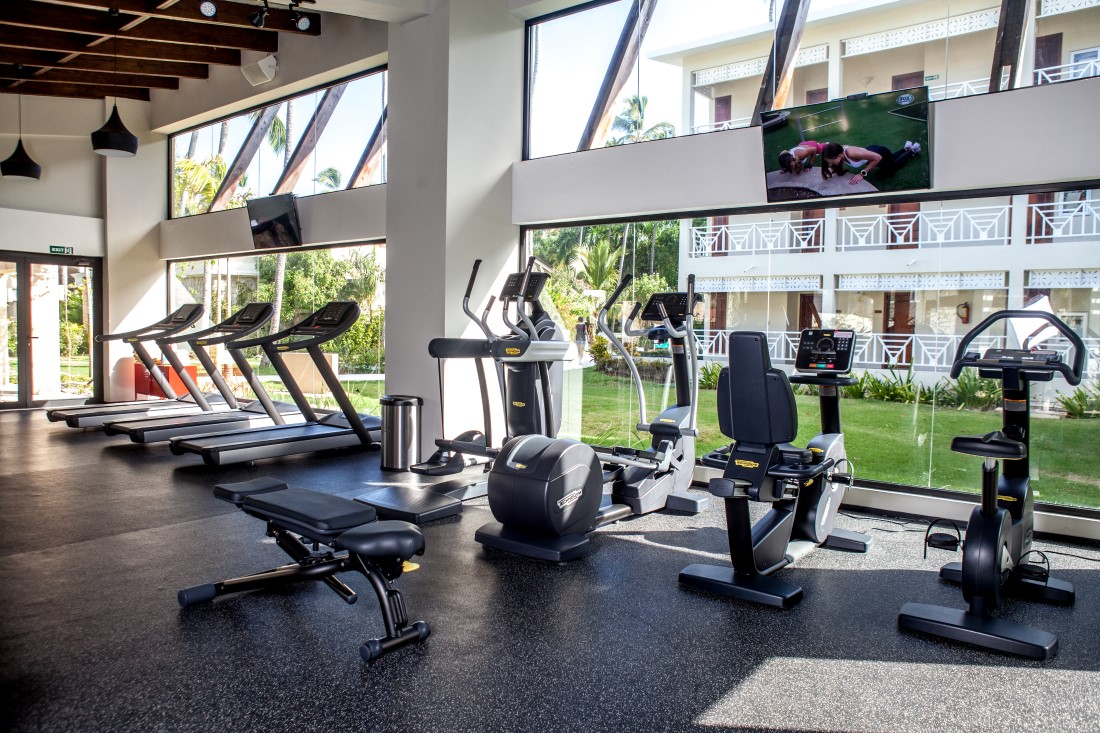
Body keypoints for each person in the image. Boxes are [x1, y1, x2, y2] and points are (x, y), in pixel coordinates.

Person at [821, 140, 921, 185]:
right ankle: (905, 149)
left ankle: (912, 151)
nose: (831, 164)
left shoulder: (852, 153)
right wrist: (833, 169)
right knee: (890, 160)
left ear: (839, 155)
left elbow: (878, 157)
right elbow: (835, 161)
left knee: (893, 167)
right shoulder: (837, 150)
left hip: (880, 153)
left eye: (832, 162)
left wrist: (862, 174)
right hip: (870, 151)